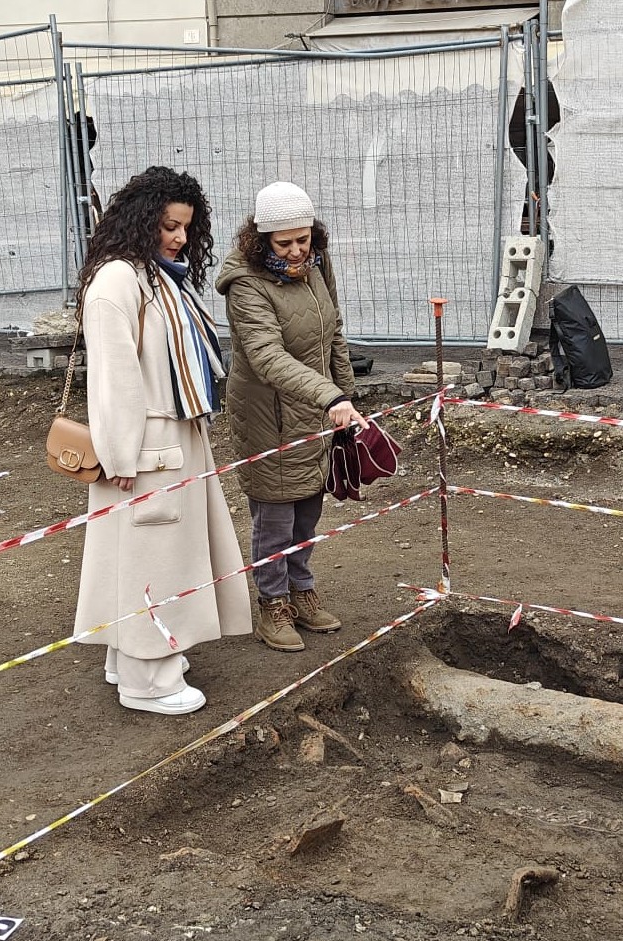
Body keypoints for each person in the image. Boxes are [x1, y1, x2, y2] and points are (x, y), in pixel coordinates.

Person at [72, 166, 251, 715]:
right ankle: (149, 681)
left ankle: (127, 657)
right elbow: (114, 377)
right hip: (146, 447)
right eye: (169, 225)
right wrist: (122, 452)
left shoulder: (152, 275)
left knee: (148, 554)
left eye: (185, 229)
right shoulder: (120, 281)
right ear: (141, 219)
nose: (178, 238)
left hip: (168, 439)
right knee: (154, 558)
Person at [214, 181, 367, 653]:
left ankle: (302, 592)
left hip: (317, 409)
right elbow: (266, 356)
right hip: (270, 414)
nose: (298, 250)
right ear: (261, 241)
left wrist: (346, 393)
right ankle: (272, 605)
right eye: (285, 243)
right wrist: (329, 397)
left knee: (307, 511)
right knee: (275, 516)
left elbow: (332, 330)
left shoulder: (316, 264)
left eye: (304, 238)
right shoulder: (245, 285)